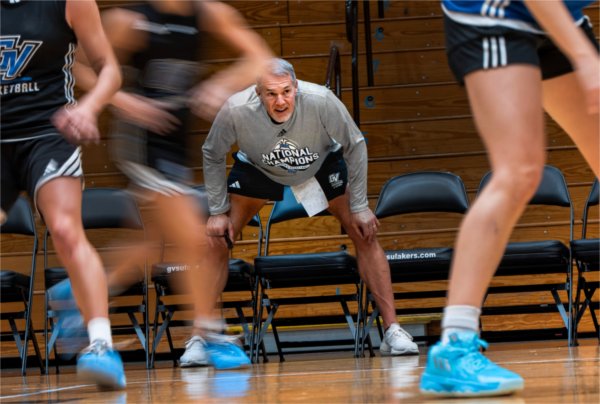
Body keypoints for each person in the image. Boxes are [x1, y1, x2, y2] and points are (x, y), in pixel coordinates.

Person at [70, 0, 273, 369]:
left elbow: (261, 58)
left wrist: (221, 83)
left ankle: (79, 296)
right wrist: (123, 101)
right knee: (193, 240)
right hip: (141, 143)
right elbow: (77, 66)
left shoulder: (208, 13)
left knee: (149, 244)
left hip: (177, 145)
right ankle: (210, 332)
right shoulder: (129, 21)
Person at [420, 0, 599, 397]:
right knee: (519, 171)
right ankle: (455, 345)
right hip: (493, 14)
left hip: (560, 14)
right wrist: (585, 54)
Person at [200, 58, 419, 363]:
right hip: (259, 169)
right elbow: (211, 152)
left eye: (286, 92)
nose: (280, 101)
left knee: (363, 231)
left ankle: (393, 331)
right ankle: (205, 338)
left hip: (317, 167)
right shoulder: (236, 109)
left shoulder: (321, 100)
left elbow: (355, 144)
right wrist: (217, 210)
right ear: (258, 93)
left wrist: (359, 206)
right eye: (271, 94)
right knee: (217, 238)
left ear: (297, 87)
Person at [1, 0, 125, 390]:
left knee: (66, 229)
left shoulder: (70, 2)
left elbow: (109, 70)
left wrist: (89, 107)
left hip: (49, 132)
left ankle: (101, 345)